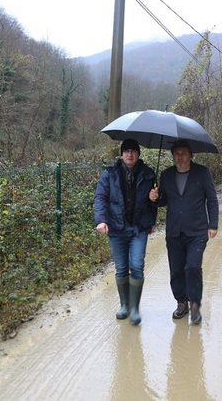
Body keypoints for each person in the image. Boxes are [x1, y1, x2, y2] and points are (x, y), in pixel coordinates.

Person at [149, 140, 218, 325]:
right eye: (176, 154)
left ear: (190, 155)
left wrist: (213, 224)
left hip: (197, 231)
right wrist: (154, 198)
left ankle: (195, 305)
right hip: (174, 231)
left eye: (183, 153)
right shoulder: (166, 175)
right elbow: (163, 200)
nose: (180, 157)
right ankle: (181, 303)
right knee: (176, 270)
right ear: (173, 156)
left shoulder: (202, 173)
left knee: (193, 268)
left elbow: (211, 199)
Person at [94, 138, 157, 325]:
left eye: (133, 151)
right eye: (126, 151)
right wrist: (101, 220)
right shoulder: (109, 174)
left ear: (138, 154)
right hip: (116, 228)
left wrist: (154, 202)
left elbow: (153, 203)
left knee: (136, 265)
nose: (130, 154)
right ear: (121, 154)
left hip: (138, 229)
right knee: (121, 268)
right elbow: (100, 197)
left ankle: (135, 308)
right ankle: (124, 305)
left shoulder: (148, 174)